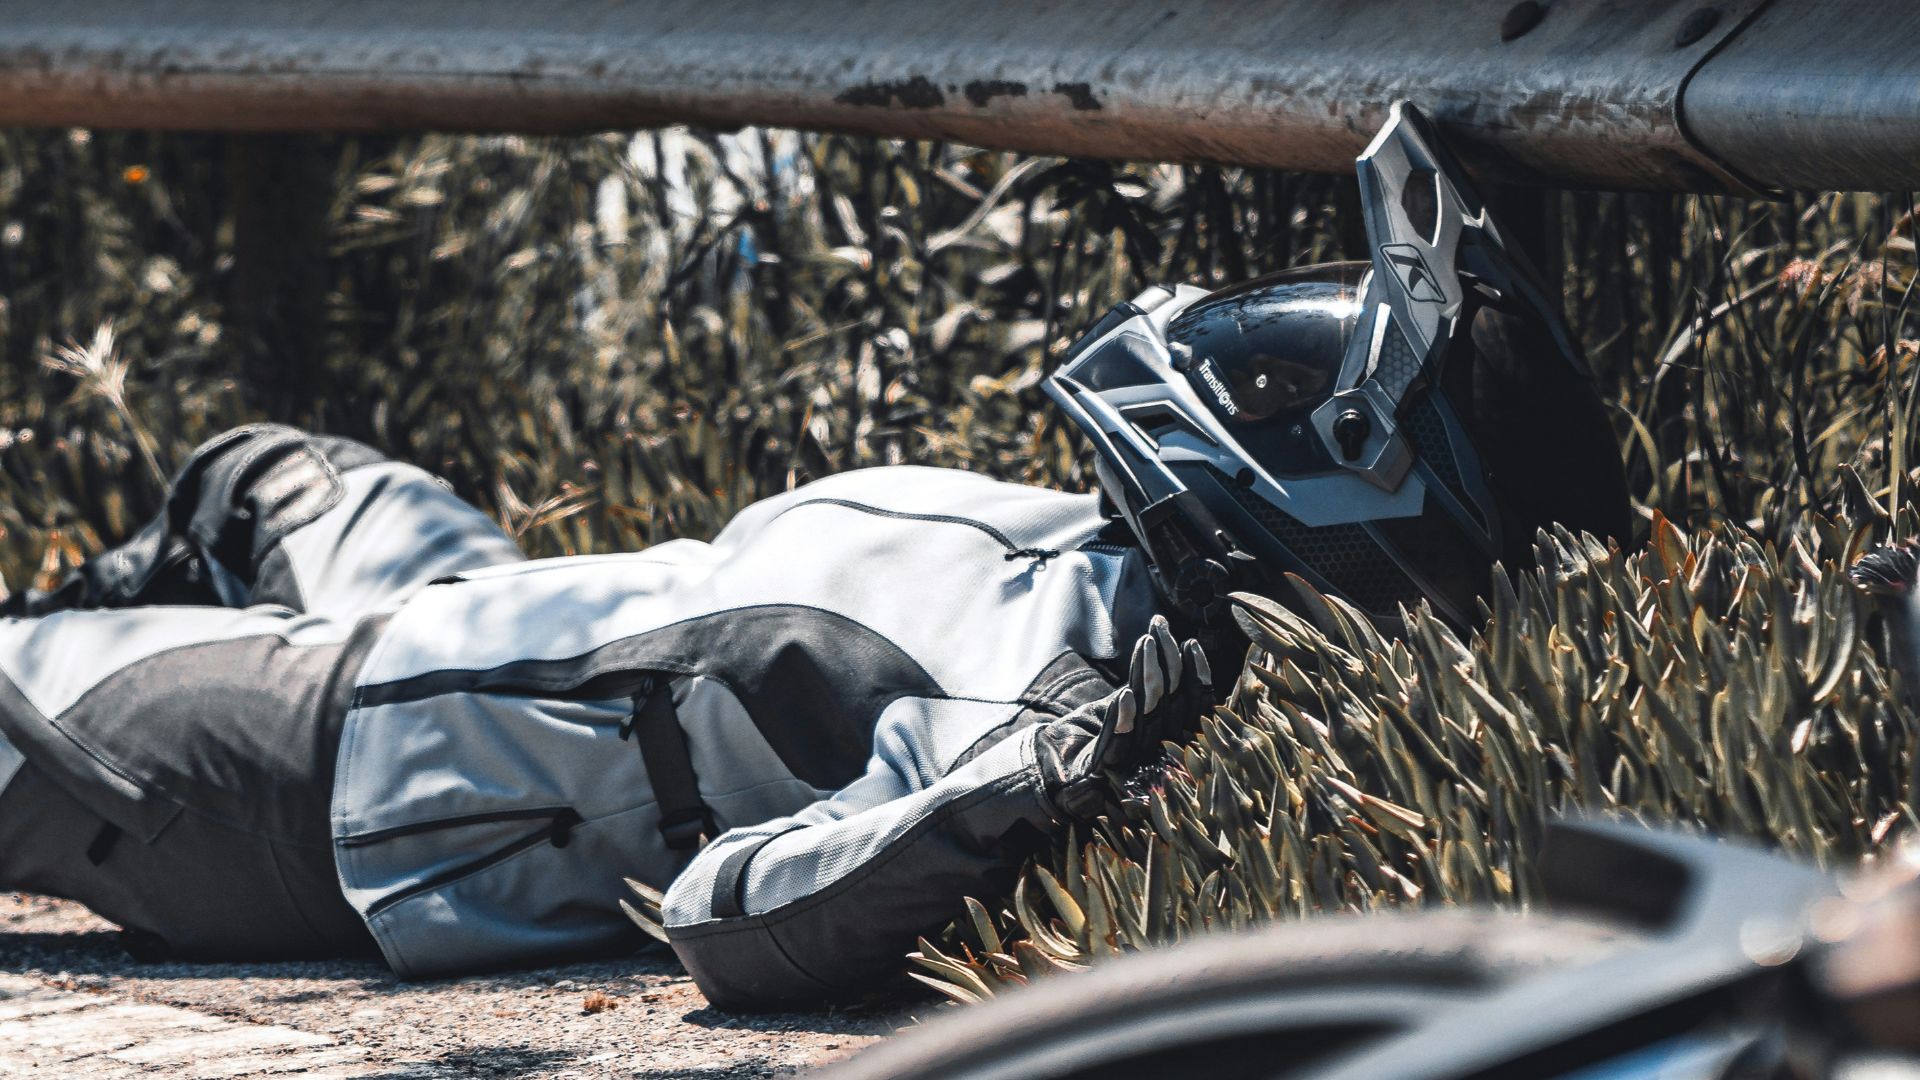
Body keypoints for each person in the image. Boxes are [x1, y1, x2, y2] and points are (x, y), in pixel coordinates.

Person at [0, 103, 1628, 1010]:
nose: (1230, 342)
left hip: (334, 759)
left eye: (1280, 366)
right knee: (263, 472)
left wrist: (1032, 779)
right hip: (484, 617)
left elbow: (723, 915)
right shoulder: (1124, 581)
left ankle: (75, 768)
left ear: (1312, 489)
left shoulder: (1034, 713)